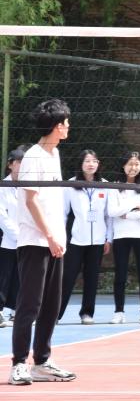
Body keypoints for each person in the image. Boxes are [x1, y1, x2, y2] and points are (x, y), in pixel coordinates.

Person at [9, 98, 77, 385]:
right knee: (30, 305)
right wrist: (49, 235)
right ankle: (18, 364)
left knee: (51, 305)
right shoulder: (33, 156)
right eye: (66, 122)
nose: (69, 126)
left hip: (55, 241)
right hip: (35, 241)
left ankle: (42, 362)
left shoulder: (54, 154)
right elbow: (31, 201)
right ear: (57, 126)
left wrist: (57, 237)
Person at [58, 150, 112, 324]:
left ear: (98, 164)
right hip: (76, 240)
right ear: (80, 164)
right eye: (87, 161)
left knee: (92, 278)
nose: (91, 164)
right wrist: (61, 236)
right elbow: (63, 213)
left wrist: (108, 238)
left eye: (94, 161)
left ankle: (87, 313)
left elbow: (108, 215)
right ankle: (55, 314)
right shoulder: (70, 185)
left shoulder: (105, 185)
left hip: (98, 241)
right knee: (67, 278)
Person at [107, 151, 140, 325]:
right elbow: (112, 211)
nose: (133, 167)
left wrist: (127, 215)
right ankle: (119, 312)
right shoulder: (115, 186)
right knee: (120, 275)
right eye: (130, 164)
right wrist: (135, 205)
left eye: (136, 164)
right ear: (123, 165)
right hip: (121, 235)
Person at [0, 147, 27, 329]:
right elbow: (2, 216)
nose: (22, 166)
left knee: (20, 276)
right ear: (10, 164)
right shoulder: (3, 186)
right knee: (3, 276)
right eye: (19, 162)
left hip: (26, 240)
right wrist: (17, 235)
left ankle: (13, 311)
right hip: (6, 240)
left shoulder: (29, 186)